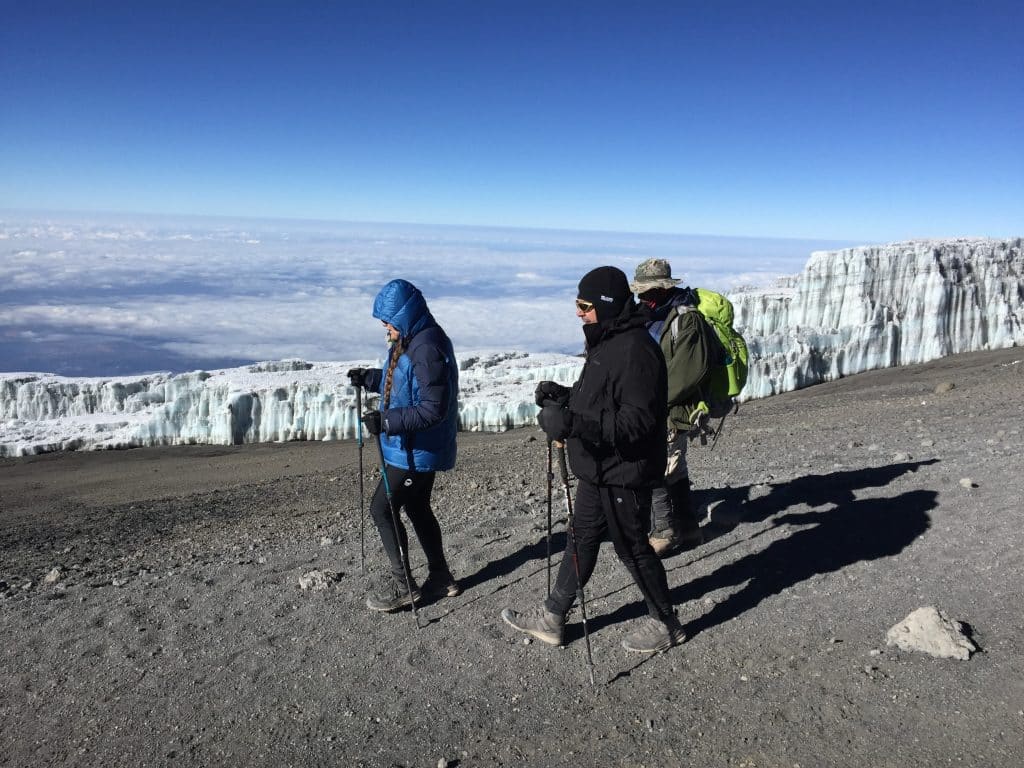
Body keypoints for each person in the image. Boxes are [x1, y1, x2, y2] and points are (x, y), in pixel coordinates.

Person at [501, 266, 685, 653]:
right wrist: (565, 397)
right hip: (600, 468)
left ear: (605, 305)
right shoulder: (609, 340)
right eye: (577, 303)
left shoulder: (635, 350)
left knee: (632, 549)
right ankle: (553, 618)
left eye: (584, 305)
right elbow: (602, 398)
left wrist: (573, 422)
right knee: (580, 537)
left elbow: (637, 421)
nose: (579, 312)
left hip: (624, 470)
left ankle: (667, 623)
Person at [346, 279, 461, 612]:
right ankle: (441, 577)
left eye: (388, 319)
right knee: (417, 507)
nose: (385, 326)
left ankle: (406, 587)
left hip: (415, 449)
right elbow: (402, 382)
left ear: (405, 314)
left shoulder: (426, 348)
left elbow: (432, 408)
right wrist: (370, 378)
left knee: (381, 508)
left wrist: (385, 422)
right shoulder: (415, 339)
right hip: (416, 447)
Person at [630, 258, 719, 556]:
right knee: (674, 468)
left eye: (648, 291)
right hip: (656, 407)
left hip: (671, 411)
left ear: (664, 288)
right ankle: (690, 529)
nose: (642, 296)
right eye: (640, 291)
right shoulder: (649, 314)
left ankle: (664, 532)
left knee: (657, 469)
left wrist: (651, 402)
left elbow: (687, 373)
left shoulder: (687, 319)